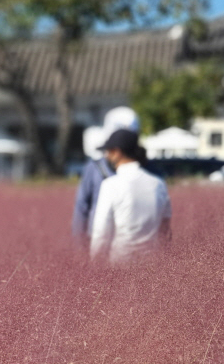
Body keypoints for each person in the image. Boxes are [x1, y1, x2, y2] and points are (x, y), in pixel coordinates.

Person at [90, 129, 172, 264]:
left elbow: (101, 234)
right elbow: (165, 231)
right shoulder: (158, 184)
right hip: (153, 265)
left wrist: (94, 266)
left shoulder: (110, 185)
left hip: (120, 264)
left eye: (108, 152)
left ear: (117, 152)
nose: (107, 156)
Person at [72, 107, 141, 247]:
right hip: (98, 239)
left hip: (130, 241)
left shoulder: (145, 169)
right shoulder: (94, 167)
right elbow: (82, 206)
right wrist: (78, 244)